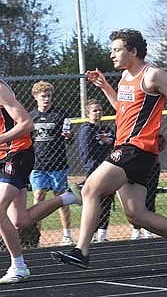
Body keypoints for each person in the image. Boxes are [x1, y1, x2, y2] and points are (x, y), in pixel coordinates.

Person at [50, 29, 167, 271]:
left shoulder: (153, 75)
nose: (112, 55)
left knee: (90, 189)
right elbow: (122, 110)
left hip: (137, 149)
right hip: (128, 149)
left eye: (116, 50)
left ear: (133, 51)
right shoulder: (124, 78)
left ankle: (81, 251)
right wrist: (105, 86)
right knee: (136, 214)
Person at [0, 80, 81, 284]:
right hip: (2, 154)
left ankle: (18, 266)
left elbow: (26, 124)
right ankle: (69, 197)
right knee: (20, 220)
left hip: (17, 152)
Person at [29, 81, 75, 246]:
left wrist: (69, 136)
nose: (46, 99)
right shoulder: (30, 116)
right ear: (36, 97)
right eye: (43, 96)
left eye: (49, 96)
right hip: (37, 165)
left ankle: (67, 235)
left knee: (62, 199)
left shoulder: (60, 114)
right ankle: (35, 237)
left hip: (58, 164)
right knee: (38, 198)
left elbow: (69, 138)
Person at [78, 99, 115, 243]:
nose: (98, 113)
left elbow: (114, 146)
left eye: (99, 110)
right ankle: (91, 234)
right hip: (95, 171)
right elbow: (86, 153)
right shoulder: (86, 129)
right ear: (88, 113)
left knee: (107, 201)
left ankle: (103, 234)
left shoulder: (107, 129)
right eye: (94, 110)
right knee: (93, 202)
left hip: (109, 170)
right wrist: (93, 169)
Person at [130, 134, 165, 240]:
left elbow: (162, 143)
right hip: (135, 165)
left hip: (152, 165)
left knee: (150, 197)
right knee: (135, 199)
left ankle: (148, 229)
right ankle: (136, 229)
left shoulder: (154, 133)